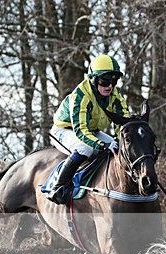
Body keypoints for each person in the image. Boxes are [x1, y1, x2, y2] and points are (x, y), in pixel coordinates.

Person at [43, 54, 130, 204]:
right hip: (64, 130)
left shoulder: (116, 96)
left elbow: (123, 124)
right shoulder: (81, 95)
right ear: (94, 80)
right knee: (86, 149)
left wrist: (123, 140)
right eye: (104, 81)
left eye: (113, 81)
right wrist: (102, 145)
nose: (109, 86)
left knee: (121, 148)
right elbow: (81, 131)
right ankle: (58, 187)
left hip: (92, 130)